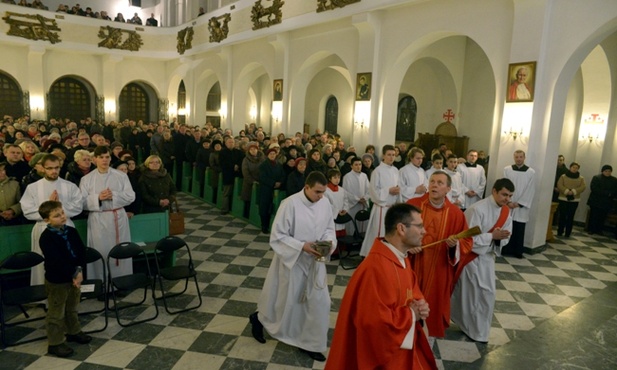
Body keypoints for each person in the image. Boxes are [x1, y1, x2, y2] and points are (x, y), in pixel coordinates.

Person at [325, 203, 436, 370]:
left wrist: (421, 305)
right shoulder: (375, 268)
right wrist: (412, 315)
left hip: (400, 349)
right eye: (419, 226)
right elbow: (373, 323)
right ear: (401, 229)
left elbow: (411, 291)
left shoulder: (401, 258)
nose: (424, 231)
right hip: (383, 357)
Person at [249, 172, 336, 362]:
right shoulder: (289, 204)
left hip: (315, 263)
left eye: (323, 192)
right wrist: (302, 246)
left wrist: (328, 243)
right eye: (317, 192)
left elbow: (330, 228)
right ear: (306, 187)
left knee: (319, 303)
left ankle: (311, 343)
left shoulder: (325, 202)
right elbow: (278, 236)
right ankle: (258, 318)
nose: (321, 196)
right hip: (293, 262)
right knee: (284, 303)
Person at [406, 171, 472, 338]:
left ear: (448, 188)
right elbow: (397, 230)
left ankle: (427, 333)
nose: (434, 185)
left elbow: (466, 241)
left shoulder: (456, 214)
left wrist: (454, 244)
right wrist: (407, 245)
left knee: (432, 301)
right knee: (407, 297)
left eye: (440, 183)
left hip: (439, 268)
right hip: (411, 264)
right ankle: (404, 329)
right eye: (432, 181)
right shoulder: (412, 205)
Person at [451, 178, 514, 342]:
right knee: (472, 295)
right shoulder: (476, 209)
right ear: (494, 191)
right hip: (471, 260)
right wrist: (492, 236)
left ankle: (478, 331)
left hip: (487, 259)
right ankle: (471, 328)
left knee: (486, 295)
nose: (507, 199)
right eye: (504, 194)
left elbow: (507, 234)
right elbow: (467, 239)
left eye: (510, 196)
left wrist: (499, 238)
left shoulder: (506, 212)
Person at [38, 200, 92, 358]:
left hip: (75, 276)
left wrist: (79, 271)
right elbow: (56, 261)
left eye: (62, 213)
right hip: (58, 280)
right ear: (46, 220)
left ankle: (73, 332)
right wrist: (73, 273)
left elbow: (81, 252)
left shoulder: (71, 231)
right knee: (56, 312)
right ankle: (55, 343)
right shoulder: (46, 238)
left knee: (72, 307)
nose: (62, 217)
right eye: (56, 216)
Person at [21, 154, 83, 285]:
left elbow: (78, 207)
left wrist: (60, 207)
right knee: (43, 262)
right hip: (43, 227)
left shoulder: (69, 186)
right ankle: (42, 296)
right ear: (42, 168)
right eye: (49, 168)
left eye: (56, 168)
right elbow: (27, 211)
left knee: (67, 259)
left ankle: (71, 291)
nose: (53, 171)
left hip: (66, 226)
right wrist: (49, 207)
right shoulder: (33, 187)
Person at [79, 146, 135, 281]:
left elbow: (131, 196)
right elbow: (81, 202)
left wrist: (113, 196)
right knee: (100, 251)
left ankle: (122, 281)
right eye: (101, 157)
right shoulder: (86, 179)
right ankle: (101, 282)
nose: (104, 160)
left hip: (117, 217)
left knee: (121, 249)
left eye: (107, 157)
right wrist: (98, 198)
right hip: (98, 219)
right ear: (94, 159)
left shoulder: (121, 175)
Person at [360, 145, 400, 257]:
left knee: (390, 235)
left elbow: (398, 186)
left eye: (393, 155)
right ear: (383, 155)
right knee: (379, 234)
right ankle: (374, 256)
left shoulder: (396, 170)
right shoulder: (377, 171)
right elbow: (373, 192)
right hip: (381, 208)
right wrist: (388, 190)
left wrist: (398, 191)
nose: (391, 157)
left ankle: (386, 256)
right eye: (389, 155)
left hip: (391, 208)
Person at [502, 150, 535, 259]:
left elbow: (530, 189)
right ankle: (506, 249)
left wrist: (520, 203)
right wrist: (508, 201)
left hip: (521, 207)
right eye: (516, 157)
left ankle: (518, 251)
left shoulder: (531, 172)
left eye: (521, 157)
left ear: (524, 157)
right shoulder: (507, 170)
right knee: (507, 226)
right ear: (514, 157)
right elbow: (504, 186)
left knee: (519, 228)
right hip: (509, 204)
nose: (518, 159)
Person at [258, 148, 285, 233]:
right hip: (266, 188)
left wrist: (280, 182)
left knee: (273, 208)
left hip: (277, 188)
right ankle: (264, 226)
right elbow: (263, 177)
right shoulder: (263, 165)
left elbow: (283, 174)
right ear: (267, 155)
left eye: (274, 154)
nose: (273, 155)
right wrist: (273, 183)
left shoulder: (279, 165)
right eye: (271, 154)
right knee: (265, 208)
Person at [557, 162, 586, 237]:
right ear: (570, 167)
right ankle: (560, 231)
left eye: (576, 168)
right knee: (562, 215)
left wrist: (573, 191)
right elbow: (559, 185)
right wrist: (566, 191)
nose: (574, 169)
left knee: (570, 216)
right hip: (563, 198)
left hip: (574, 200)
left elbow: (583, 187)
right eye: (573, 167)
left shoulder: (581, 178)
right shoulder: (563, 176)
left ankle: (568, 233)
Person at [586, 165, 617, 235]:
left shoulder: (614, 180)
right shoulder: (597, 178)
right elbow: (594, 188)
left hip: (606, 202)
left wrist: (610, 194)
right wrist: (606, 193)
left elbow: (615, 190)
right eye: (606, 171)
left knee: (602, 217)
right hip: (596, 201)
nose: (607, 173)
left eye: (609, 171)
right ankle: (591, 229)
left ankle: (599, 230)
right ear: (602, 171)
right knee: (594, 216)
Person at [342, 157, 370, 235]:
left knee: (363, 225)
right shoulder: (347, 177)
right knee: (352, 225)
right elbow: (345, 192)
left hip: (363, 203)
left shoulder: (364, 176)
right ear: (351, 166)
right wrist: (357, 199)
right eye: (356, 165)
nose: (358, 166)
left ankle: (361, 240)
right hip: (353, 205)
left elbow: (369, 189)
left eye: (360, 164)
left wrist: (365, 198)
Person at [241, 142, 264, 218]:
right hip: (249, 184)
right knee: (248, 200)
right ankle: (246, 216)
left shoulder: (262, 158)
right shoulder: (246, 160)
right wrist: (253, 181)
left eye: (254, 149)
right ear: (249, 151)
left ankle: (256, 216)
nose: (253, 151)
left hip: (261, 182)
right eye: (251, 149)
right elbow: (245, 172)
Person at [324, 169, 347, 237]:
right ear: (329, 178)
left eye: (339, 177)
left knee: (342, 235)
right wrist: (336, 211)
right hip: (332, 217)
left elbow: (346, 200)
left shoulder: (341, 190)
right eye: (335, 177)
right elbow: (326, 204)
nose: (337, 180)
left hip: (341, 215)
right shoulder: (326, 191)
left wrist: (345, 209)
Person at [0, 161, 23, 226]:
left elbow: (21, 202)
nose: (3, 173)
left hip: (14, 221)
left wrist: (12, 210)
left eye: (3, 169)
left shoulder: (15, 184)